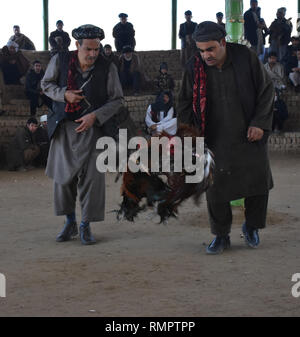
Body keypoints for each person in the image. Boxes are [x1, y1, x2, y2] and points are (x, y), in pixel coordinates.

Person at [177, 22, 274, 254]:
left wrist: (260, 123)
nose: (205, 55)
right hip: (213, 137)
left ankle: (252, 227)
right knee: (215, 188)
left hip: (249, 134)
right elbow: (183, 103)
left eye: (210, 49)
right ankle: (221, 236)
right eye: (201, 50)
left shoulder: (246, 57)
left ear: (222, 42)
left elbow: (266, 90)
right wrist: (191, 137)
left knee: (258, 184)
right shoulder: (194, 67)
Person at [41, 24, 124, 245]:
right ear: (77, 45)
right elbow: (46, 84)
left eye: (96, 49)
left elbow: (117, 100)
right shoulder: (59, 60)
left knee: (92, 181)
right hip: (64, 129)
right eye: (88, 49)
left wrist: (95, 116)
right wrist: (64, 94)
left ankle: (85, 225)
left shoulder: (108, 67)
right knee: (63, 180)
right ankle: (69, 222)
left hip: (93, 130)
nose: (93, 54)